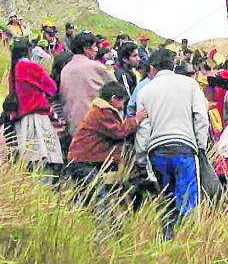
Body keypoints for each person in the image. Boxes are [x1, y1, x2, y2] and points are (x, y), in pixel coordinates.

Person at [135, 49, 210, 239]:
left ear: (152, 69)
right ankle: (188, 244)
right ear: (173, 66)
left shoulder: (145, 92)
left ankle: (167, 241)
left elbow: (144, 130)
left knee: (166, 203)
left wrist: (141, 160)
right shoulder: (190, 85)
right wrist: (200, 146)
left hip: (157, 151)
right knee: (188, 202)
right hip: (185, 149)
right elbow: (201, 118)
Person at [66, 82, 147, 209]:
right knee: (98, 198)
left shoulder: (98, 110)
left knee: (85, 198)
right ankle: (103, 227)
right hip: (84, 161)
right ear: (114, 98)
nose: (122, 106)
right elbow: (119, 131)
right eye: (122, 101)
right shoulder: (102, 112)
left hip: (82, 160)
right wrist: (136, 119)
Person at [6, 38, 63, 169]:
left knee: (28, 159)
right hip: (37, 117)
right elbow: (52, 88)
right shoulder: (31, 66)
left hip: (21, 119)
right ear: (29, 51)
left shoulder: (13, 70)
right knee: (46, 158)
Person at [60, 32, 114, 135]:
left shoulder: (65, 70)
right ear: (86, 48)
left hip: (74, 129)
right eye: (94, 46)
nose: (97, 50)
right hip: (96, 127)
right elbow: (116, 89)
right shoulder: (97, 67)